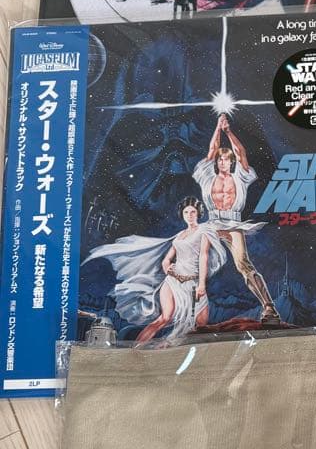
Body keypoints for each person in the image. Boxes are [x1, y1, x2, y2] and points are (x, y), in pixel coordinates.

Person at [85, 197, 227, 343]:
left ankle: (182, 348)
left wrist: (202, 284)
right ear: (182, 214)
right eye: (186, 212)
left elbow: (204, 256)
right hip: (173, 281)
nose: (189, 215)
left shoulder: (203, 232)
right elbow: (167, 259)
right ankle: (136, 349)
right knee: (165, 318)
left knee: (202, 323)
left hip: (193, 283)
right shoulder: (179, 235)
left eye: (192, 212)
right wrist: (167, 267)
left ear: (198, 213)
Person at [194, 115, 281, 322]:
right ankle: (186, 311)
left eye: (226, 159)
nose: (222, 162)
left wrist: (228, 131)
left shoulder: (241, 176)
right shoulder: (207, 176)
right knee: (193, 261)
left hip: (233, 224)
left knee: (243, 264)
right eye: (220, 159)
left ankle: (269, 307)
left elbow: (241, 152)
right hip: (212, 225)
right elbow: (212, 149)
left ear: (231, 161)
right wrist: (218, 127)